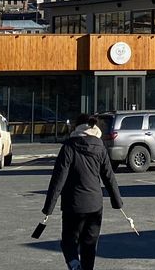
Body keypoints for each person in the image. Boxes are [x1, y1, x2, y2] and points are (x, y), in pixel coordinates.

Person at [41, 114, 123, 270]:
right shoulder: (100, 146)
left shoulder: (69, 147)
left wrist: (48, 208)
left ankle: (74, 264)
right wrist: (117, 202)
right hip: (95, 205)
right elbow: (109, 177)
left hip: (73, 205)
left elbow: (58, 180)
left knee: (68, 242)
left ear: (76, 127)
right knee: (89, 246)